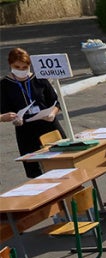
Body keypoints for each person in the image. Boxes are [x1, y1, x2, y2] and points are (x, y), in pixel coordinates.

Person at [1, 48, 64, 179]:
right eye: (17, 67)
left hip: (49, 125)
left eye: (25, 67)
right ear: (10, 65)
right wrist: (9, 118)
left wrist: (52, 113)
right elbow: (5, 111)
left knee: (62, 163)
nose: (21, 70)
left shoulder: (39, 78)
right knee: (36, 172)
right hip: (26, 131)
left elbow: (56, 102)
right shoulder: (4, 84)